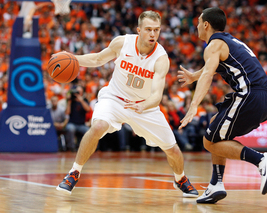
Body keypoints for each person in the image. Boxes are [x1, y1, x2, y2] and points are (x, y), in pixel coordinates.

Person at [56, 11, 198, 198]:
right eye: (148, 30)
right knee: (98, 126)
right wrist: (73, 58)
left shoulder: (161, 58)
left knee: (173, 150)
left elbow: (156, 95)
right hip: (114, 98)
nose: (153, 34)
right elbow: (98, 59)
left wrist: (144, 105)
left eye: (156, 30)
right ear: (139, 30)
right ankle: (74, 172)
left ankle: (180, 178)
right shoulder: (122, 43)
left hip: (144, 106)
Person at [177, 7, 267, 204]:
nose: (196, 26)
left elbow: (208, 74)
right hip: (265, 97)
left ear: (206, 24)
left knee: (209, 141)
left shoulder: (214, 45)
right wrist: (193, 76)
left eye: (198, 22)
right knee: (216, 126)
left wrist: (193, 106)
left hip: (250, 95)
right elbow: (211, 67)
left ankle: (261, 160)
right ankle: (216, 185)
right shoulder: (229, 41)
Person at [64, 85, 91, 151]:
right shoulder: (71, 101)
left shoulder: (84, 100)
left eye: (79, 92)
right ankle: (71, 147)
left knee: (89, 131)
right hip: (72, 123)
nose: (77, 94)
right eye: (77, 92)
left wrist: (81, 100)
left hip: (81, 124)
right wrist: (69, 102)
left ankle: (86, 148)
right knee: (70, 129)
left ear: (82, 93)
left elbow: (88, 109)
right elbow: (67, 113)